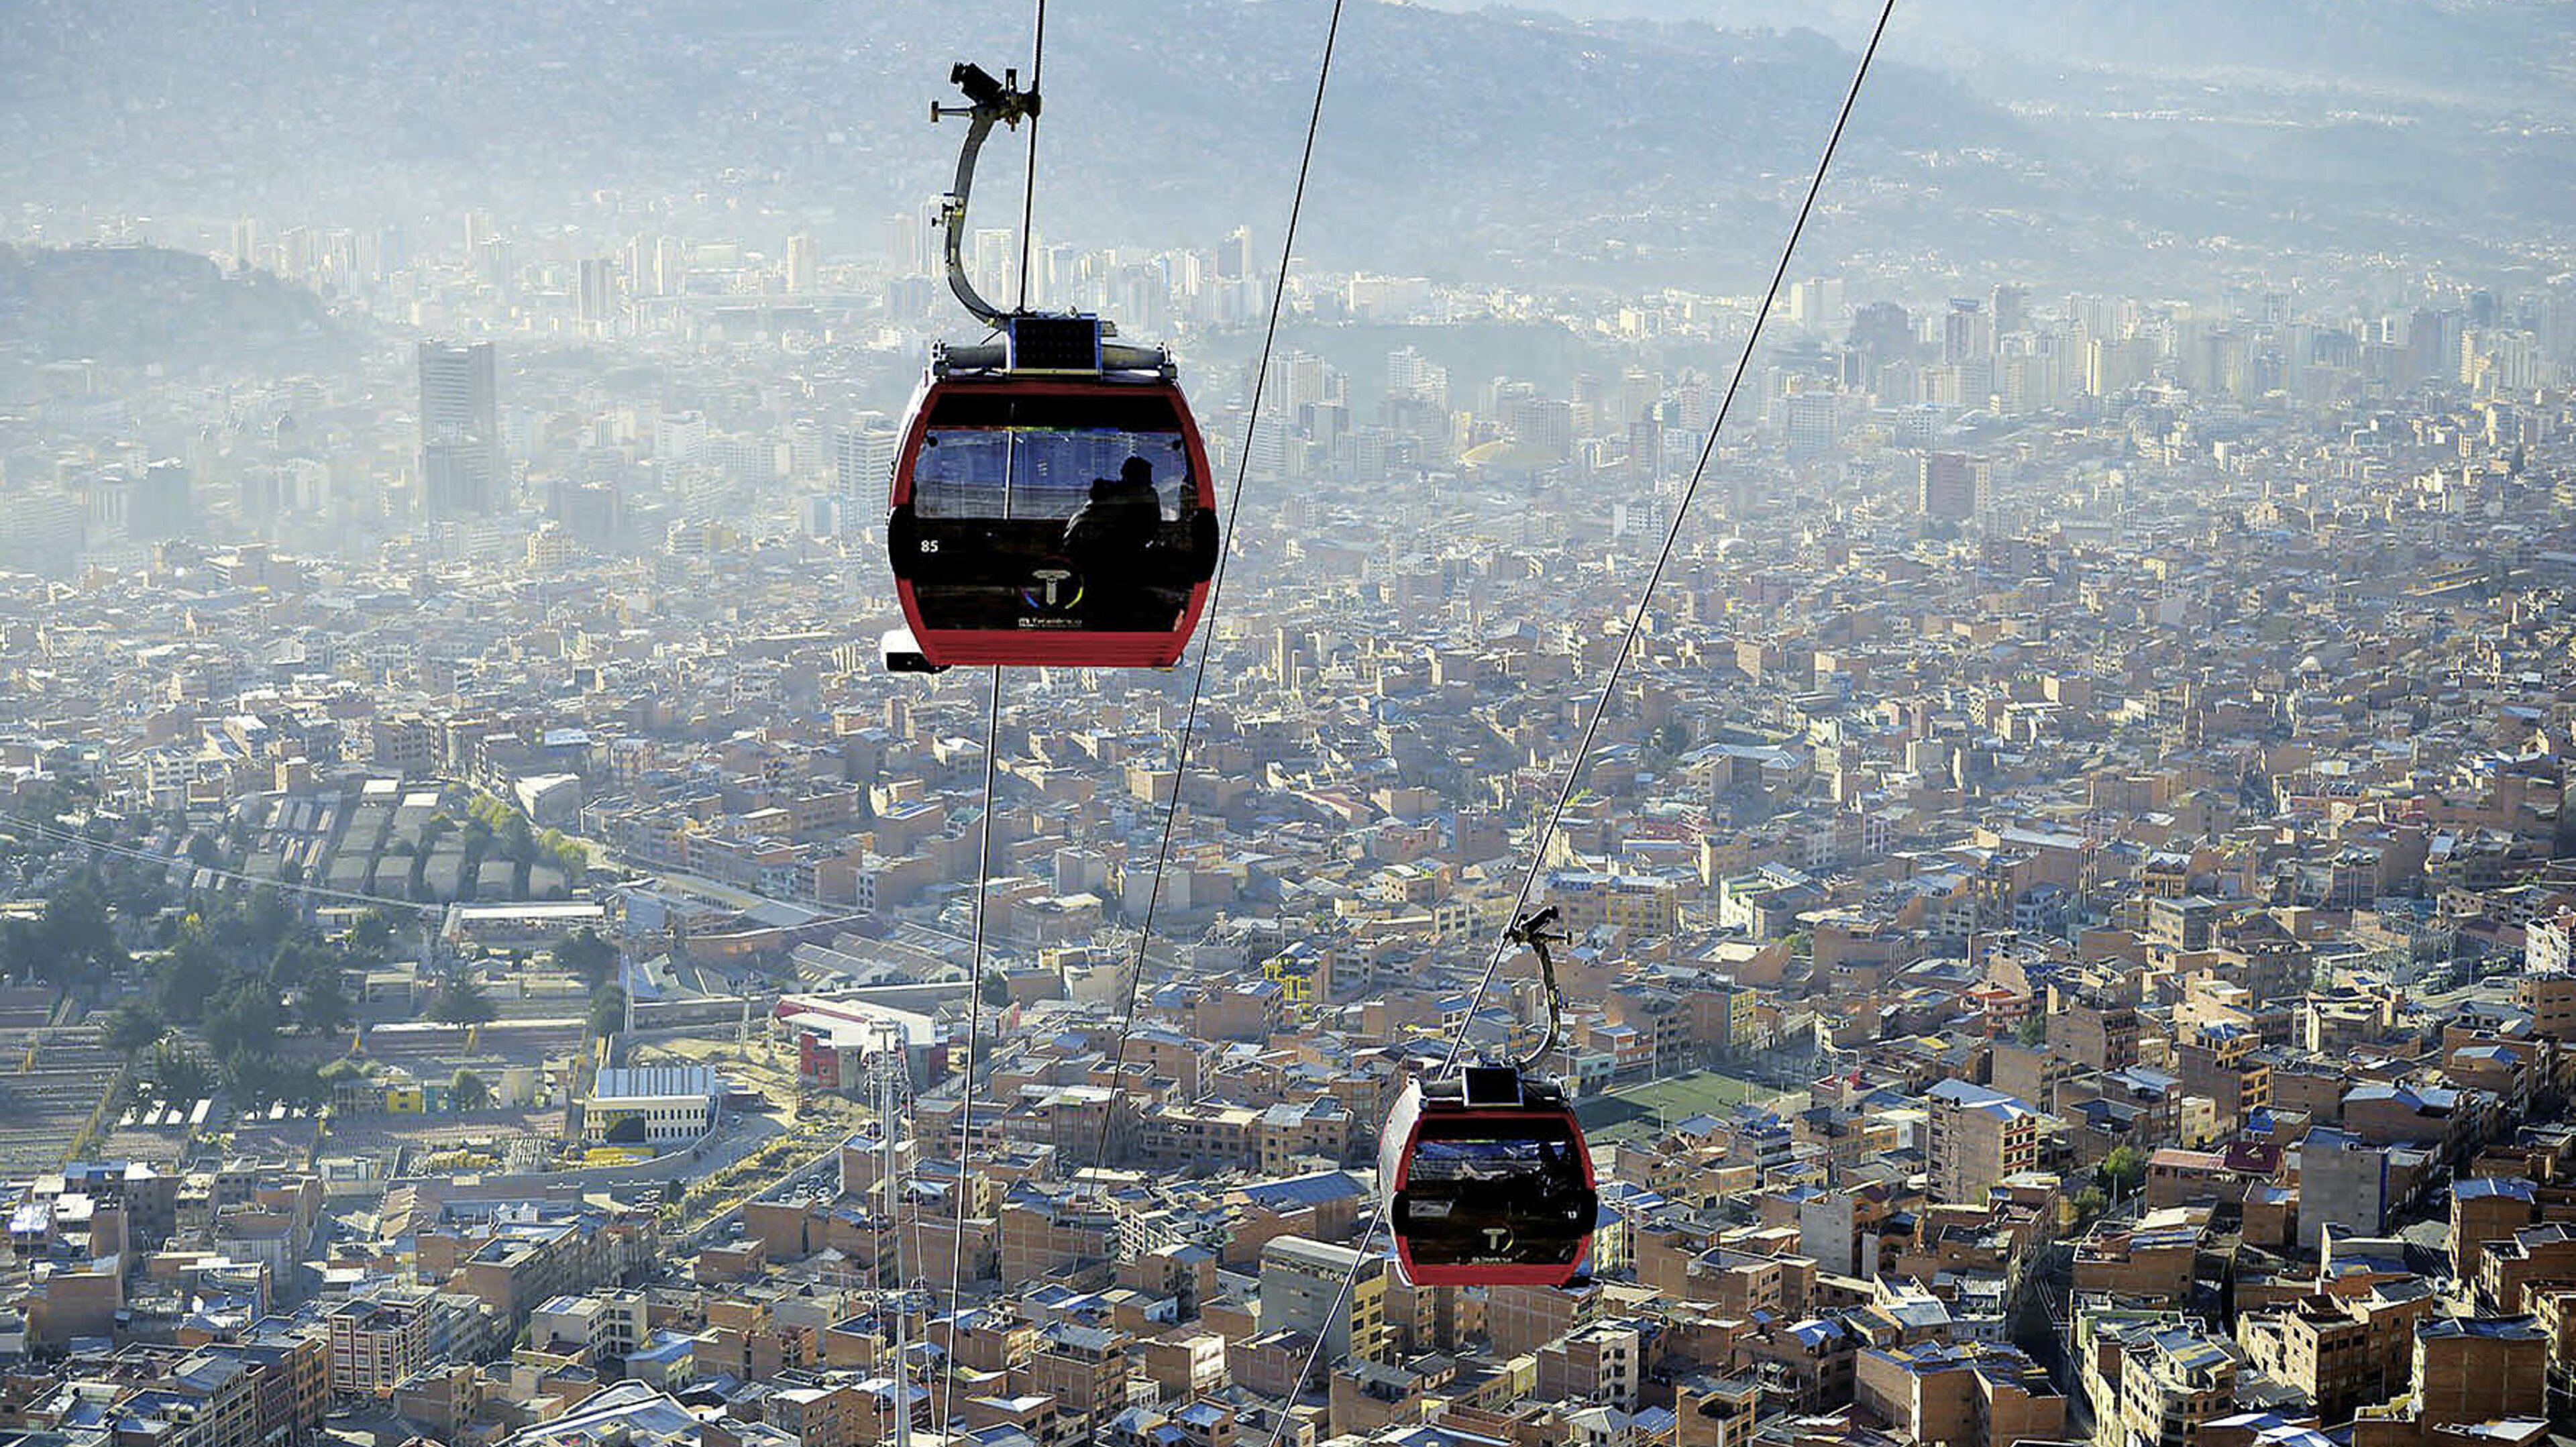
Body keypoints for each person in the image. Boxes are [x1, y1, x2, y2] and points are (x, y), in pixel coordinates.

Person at [1061, 455, 1169, 627]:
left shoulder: (1143, 495)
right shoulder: (1126, 492)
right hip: (1099, 548)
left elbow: (1146, 527)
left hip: (1117, 551)